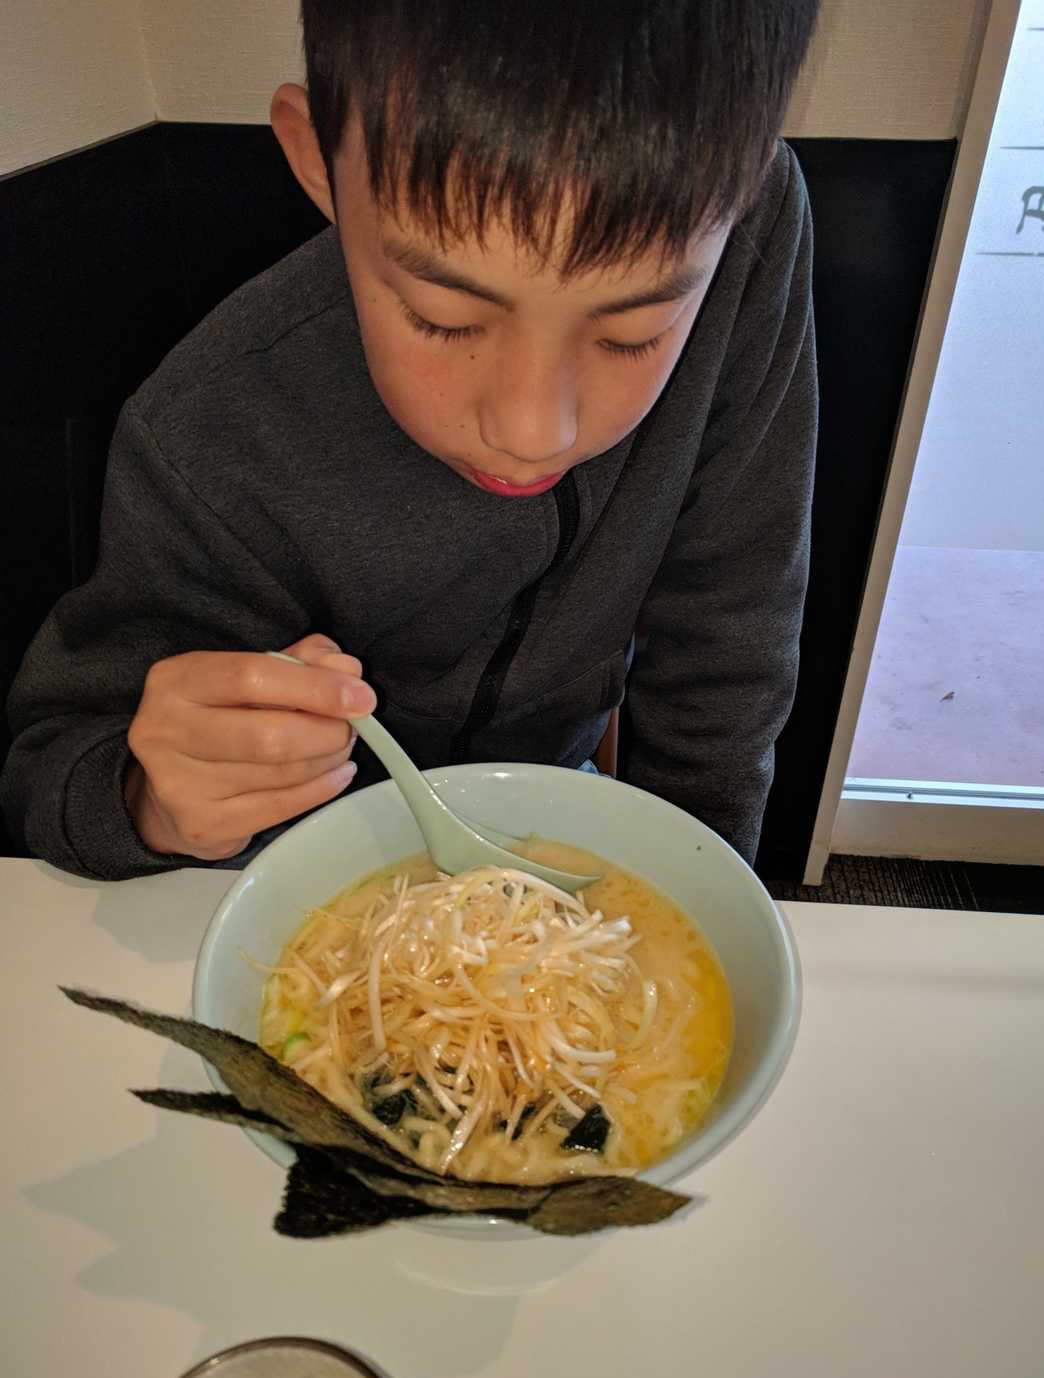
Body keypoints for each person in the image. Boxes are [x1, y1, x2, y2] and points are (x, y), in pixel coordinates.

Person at [1, 0, 819, 880]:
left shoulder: (748, 232)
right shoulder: (207, 433)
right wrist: (149, 801)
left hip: (563, 806)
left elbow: (731, 624)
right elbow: (52, 765)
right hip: (299, 867)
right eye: (443, 317)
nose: (531, 435)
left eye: (633, 332)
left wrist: (704, 888)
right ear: (318, 161)